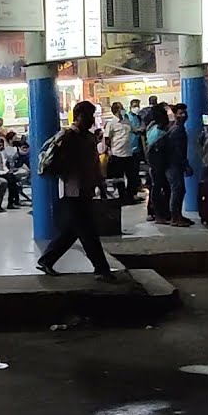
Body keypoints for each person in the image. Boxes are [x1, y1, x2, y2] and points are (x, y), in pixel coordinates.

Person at [36, 101, 115, 281]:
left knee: (74, 230)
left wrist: (98, 182)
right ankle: (102, 268)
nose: (91, 120)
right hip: (72, 190)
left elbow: (93, 162)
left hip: (85, 188)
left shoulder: (87, 137)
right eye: (89, 116)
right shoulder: (68, 136)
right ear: (78, 115)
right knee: (88, 231)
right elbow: (53, 161)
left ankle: (47, 259)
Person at [104, 102, 140, 203]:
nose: (123, 110)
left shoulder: (127, 122)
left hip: (129, 153)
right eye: (121, 108)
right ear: (116, 110)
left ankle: (130, 196)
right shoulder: (111, 124)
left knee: (132, 176)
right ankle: (122, 196)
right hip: (117, 154)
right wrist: (109, 150)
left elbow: (135, 131)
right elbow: (107, 138)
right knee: (119, 178)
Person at [165, 104, 193, 227]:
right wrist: (185, 165)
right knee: (177, 190)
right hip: (174, 165)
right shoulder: (177, 130)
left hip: (174, 164)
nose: (184, 115)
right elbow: (178, 151)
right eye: (181, 113)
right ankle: (175, 218)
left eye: (185, 113)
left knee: (179, 190)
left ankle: (178, 215)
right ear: (175, 115)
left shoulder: (175, 128)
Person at [145, 103, 173, 224]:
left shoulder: (151, 127)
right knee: (159, 188)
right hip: (159, 163)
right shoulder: (161, 131)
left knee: (156, 188)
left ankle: (157, 213)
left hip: (153, 163)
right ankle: (160, 214)